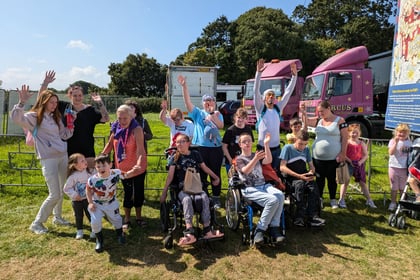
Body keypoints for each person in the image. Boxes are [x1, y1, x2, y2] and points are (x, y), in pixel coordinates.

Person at [11, 86, 74, 234]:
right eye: (51, 102)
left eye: (55, 102)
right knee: (54, 194)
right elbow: (16, 119)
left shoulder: (55, 116)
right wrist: (21, 103)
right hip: (48, 159)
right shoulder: (34, 116)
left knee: (61, 189)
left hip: (62, 156)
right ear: (44, 101)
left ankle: (57, 217)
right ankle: (37, 223)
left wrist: (71, 124)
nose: (54, 105)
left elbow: (64, 135)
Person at [160, 133, 224, 246]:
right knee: (187, 200)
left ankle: (207, 230)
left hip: (197, 186)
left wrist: (215, 177)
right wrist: (164, 192)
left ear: (188, 143)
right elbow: (170, 176)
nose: (179, 144)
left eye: (182, 141)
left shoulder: (195, 154)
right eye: (177, 142)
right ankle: (189, 232)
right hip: (182, 188)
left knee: (204, 197)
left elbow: (204, 167)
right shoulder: (175, 156)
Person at [39, 71, 110, 168]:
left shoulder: (90, 110)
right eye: (75, 95)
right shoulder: (63, 106)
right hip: (67, 150)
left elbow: (106, 118)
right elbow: (42, 99)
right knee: (71, 179)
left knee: (88, 179)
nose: (78, 98)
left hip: (87, 150)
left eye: (80, 95)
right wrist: (45, 83)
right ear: (70, 96)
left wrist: (100, 102)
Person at [178, 75, 224, 208]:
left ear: (214, 103)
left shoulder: (217, 114)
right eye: (206, 101)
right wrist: (184, 87)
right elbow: (187, 103)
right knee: (201, 173)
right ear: (202, 103)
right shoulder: (198, 113)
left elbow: (220, 126)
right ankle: (204, 196)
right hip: (200, 148)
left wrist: (212, 115)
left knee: (215, 172)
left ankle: (216, 197)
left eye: (211, 101)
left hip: (215, 148)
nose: (208, 103)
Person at [235, 132, 285, 244]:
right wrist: (255, 159)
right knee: (272, 200)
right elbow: (245, 171)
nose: (247, 143)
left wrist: (266, 144)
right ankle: (260, 229)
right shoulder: (239, 159)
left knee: (280, 195)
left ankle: (274, 226)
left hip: (263, 185)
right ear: (240, 145)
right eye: (244, 141)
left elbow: (269, 160)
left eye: (249, 141)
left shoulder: (255, 155)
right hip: (249, 188)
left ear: (252, 142)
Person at [102, 105, 147, 228]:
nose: (122, 121)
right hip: (122, 168)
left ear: (131, 116)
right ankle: (127, 219)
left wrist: (138, 163)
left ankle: (138, 217)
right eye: (119, 118)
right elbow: (110, 144)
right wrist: (101, 156)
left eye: (125, 118)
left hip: (137, 167)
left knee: (138, 192)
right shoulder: (116, 127)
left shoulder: (136, 129)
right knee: (128, 193)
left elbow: (141, 150)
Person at [254, 58, 298, 171]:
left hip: (277, 149)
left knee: (276, 174)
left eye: (273, 95)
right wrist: (258, 73)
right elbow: (255, 91)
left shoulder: (278, 108)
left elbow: (288, 92)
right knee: (262, 174)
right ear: (264, 98)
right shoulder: (260, 109)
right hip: (262, 149)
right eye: (268, 95)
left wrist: (294, 77)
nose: (271, 97)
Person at [280, 130, 325, 227]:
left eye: (305, 144)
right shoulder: (287, 148)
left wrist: (311, 172)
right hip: (292, 178)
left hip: (304, 175)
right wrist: (299, 176)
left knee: (313, 187)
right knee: (299, 186)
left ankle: (313, 216)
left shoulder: (306, 150)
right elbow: (282, 167)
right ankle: (299, 216)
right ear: (295, 140)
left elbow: (311, 166)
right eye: (300, 144)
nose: (302, 147)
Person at [311, 100, 348, 209]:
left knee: (332, 179)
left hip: (333, 157)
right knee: (319, 179)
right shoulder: (319, 120)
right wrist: (303, 113)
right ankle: (320, 198)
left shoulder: (340, 120)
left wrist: (343, 153)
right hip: (317, 157)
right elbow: (305, 122)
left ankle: (333, 199)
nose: (320, 114)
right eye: (319, 112)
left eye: (322, 111)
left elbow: (345, 138)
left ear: (329, 108)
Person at [86, 154, 126, 253]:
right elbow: (88, 190)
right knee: (95, 222)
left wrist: (135, 169)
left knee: (116, 219)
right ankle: (99, 240)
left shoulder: (116, 173)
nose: (101, 168)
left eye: (104, 165)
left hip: (111, 203)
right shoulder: (93, 179)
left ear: (110, 165)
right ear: (95, 167)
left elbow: (127, 174)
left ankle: (120, 234)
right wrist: (90, 203)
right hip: (97, 204)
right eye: (98, 166)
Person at [338, 124, 377, 209]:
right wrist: (350, 161)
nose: (354, 134)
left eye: (356, 133)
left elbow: (366, 155)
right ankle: (341, 199)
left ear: (359, 133)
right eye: (352, 132)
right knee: (345, 182)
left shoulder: (361, 143)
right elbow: (343, 153)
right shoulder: (347, 142)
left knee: (362, 183)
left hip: (359, 164)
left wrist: (360, 162)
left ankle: (369, 199)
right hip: (348, 164)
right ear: (349, 133)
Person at [63, 153, 96, 239]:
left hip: (88, 199)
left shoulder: (90, 172)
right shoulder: (72, 176)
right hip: (76, 200)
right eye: (82, 161)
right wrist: (74, 195)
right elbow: (66, 189)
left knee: (90, 214)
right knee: (78, 216)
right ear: (75, 165)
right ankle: (79, 230)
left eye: (85, 159)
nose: (85, 161)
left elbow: (97, 178)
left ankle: (94, 230)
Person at [388, 123, 412, 211]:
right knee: (394, 187)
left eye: (404, 132)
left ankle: (402, 203)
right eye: (399, 132)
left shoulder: (410, 143)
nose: (401, 134)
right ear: (396, 132)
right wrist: (396, 142)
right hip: (394, 166)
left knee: (403, 187)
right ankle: (393, 202)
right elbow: (390, 152)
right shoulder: (392, 141)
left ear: (408, 133)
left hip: (404, 168)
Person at [222, 107, 254, 173]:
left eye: (243, 118)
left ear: (246, 119)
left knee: (245, 180)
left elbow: (251, 145)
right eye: (239, 117)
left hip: (245, 161)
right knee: (233, 181)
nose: (240, 120)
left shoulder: (248, 130)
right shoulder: (230, 130)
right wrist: (230, 159)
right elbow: (224, 146)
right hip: (232, 161)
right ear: (235, 117)